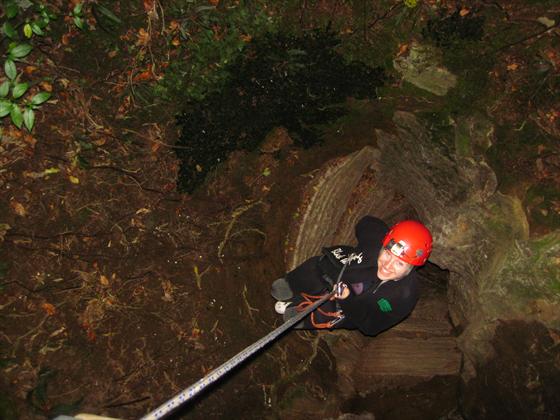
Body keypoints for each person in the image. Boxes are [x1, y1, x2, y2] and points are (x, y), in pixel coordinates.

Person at [271, 215, 433, 336]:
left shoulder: (403, 296)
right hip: (341, 269)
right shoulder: (376, 240)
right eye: (387, 254)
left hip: (351, 304)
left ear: (412, 268)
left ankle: (303, 315)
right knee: (318, 267)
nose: (387, 265)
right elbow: (366, 222)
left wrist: (347, 299)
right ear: (383, 244)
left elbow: (371, 326)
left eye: (399, 263)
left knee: (334, 311)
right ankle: (291, 284)